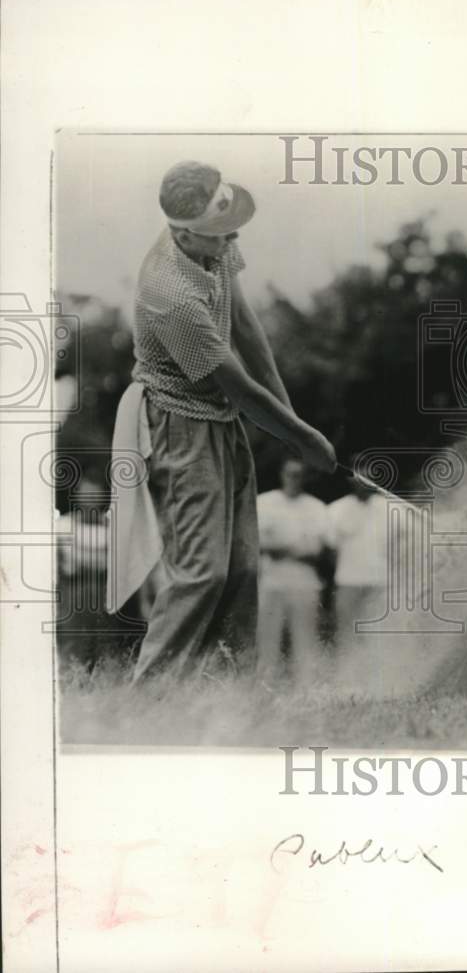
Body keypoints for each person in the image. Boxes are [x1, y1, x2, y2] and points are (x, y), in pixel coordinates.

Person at [108, 160, 337, 683]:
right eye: (220, 232)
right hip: (178, 427)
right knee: (202, 572)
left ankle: (224, 696)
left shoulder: (212, 243)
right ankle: (149, 698)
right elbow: (238, 385)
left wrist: (295, 422)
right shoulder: (169, 294)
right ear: (184, 234)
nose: (233, 237)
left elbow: (246, 327)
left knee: (243, 567)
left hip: (221, 420)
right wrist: (304, 439)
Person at [256, 457, 329, 684]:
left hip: (304, 581)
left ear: (305, 478)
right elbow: (259, 542)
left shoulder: (316, 506)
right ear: (282, 474)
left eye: (299, 475)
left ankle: (306, 688)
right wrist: (293, 547)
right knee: (267, 639)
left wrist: (280, 546)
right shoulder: (264, 502)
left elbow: (317, 549)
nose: (294, 479)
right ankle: (264, 686)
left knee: (305, 639)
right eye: (290, 474)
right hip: (272, 580)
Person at [326, 479, 390, 639]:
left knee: (378, 636)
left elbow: (407, 539)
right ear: (352, 481)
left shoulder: (390, 507)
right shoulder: (337, 508)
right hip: (348, 582)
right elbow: (330, 548)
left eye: (368, 479)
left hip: (380, 583)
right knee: (347, 634)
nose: (363, 484)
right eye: (359, 479)